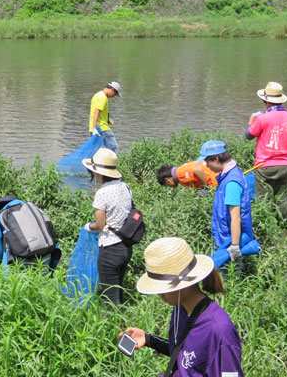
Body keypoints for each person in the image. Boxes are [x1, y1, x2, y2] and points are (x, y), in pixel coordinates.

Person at [123, 237, 243, 377]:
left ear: (183, 285)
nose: (158, 294)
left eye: (162, 287)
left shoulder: (219, 330)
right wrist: (149, 340)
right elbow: (188, 355)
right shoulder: (181, 308)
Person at [82, 148, 132, 304]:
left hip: (110, 249)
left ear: (98, 173)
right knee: (118, 288)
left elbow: (100, 224)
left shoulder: (102, 193)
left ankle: (114, 325)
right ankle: (122, 320)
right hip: (126, 246)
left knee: (110, 297)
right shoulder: (125, 187)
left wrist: (88, 227)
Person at [245, 82, 287, 223]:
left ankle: (266, 224)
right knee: (281, 196)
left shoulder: (262, 118)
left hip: (264, 165)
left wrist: (251, 121)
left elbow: (248, 136)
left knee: (263, 197)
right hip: (284, 165)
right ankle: (285, 223)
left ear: (265, 100)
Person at [200, 141, 255, 266]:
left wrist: (235, 246)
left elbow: (235, 217)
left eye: (208, 162)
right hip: (226, 234)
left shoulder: (231, 183)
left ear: (216, 158)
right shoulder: (230, 173)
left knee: (229, 269)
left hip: (229, 238)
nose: (207, 166)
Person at [0, 195, 61, 270]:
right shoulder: (36, 210)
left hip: (18, 263)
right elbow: (51, 235)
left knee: (13, 281)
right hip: (45, 259)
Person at [89, 81, 122, 152]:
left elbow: (97, 111)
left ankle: (95, 162)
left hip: (95, 127)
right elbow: (96, 112)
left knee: (97, 150)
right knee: (113, 148)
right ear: (112, 90)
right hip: (102, 128)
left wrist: (107, 119)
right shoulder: (103, 98)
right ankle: (113, 163)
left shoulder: (97, 95)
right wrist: (95, 128)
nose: (113, 96)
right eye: (115, 94)